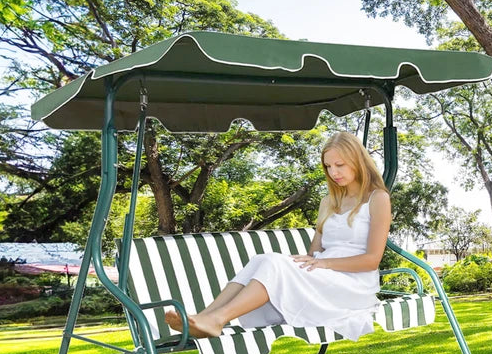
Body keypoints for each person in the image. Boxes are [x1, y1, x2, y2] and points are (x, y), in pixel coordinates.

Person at [164, 131, 392, 341]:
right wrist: (301, 264)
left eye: (340, 165)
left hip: (353, 284)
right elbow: (314, 252)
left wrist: (322, 263)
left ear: (357, 161)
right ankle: (204, 317)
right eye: (328, 166)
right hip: (325, 275)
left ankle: (217, 319)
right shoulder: (328, 202)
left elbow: (372, 260)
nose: (334, 172)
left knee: (273, 262)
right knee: (263, 259)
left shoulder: (377, 199)